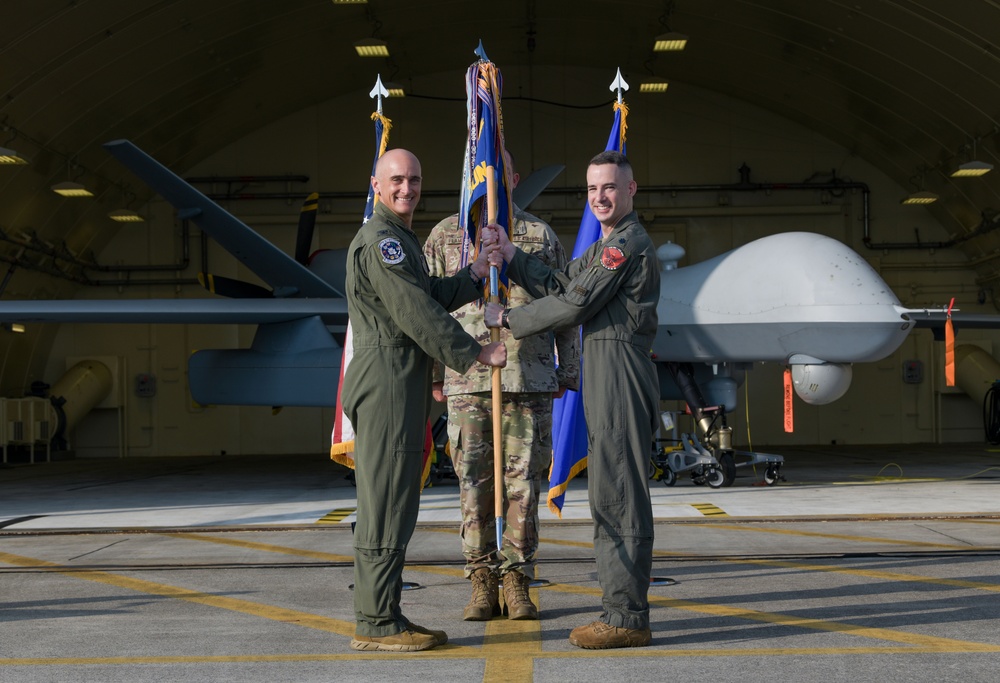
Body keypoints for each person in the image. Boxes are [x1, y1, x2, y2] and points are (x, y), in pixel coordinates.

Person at [483, 150, 660, 649]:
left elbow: (575, 303)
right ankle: (620, 610)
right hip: (605, 368)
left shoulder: (626, 244)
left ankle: (626, 618)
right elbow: (563, 283)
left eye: (609, 187)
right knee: (608, 489)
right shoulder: (607, 242)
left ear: (631, 190)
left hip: (620, 368)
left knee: (620, 492)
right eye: (591, 189)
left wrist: (508, 320)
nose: (599, 197)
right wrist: (514, 257)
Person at [342, 148, 507, 653]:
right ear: (375, 183)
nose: (406, 188)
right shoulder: (382, 241)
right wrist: (477, 351)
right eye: (396, 180)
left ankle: (384, 612)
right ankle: (376, 622)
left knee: (395, 498)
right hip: (389, 377)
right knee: (388, 501)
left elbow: (428, 292)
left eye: (413, 179)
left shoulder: (399, 239)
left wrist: (476, 273)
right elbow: (415, 311)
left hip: (400, 377)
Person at [423, 154, 580, 622]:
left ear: (513, 179)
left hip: (527, 377)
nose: (491, 180)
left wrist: (566, 369)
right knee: (473, 485)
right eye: (482, 170)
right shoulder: (445, 236)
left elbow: (565, 305)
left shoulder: (539, 236)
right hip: (467, 381)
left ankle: (517, 578)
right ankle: (481, 579)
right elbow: (429, 307)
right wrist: (435, 373)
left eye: (500, 171)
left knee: (524, 488)